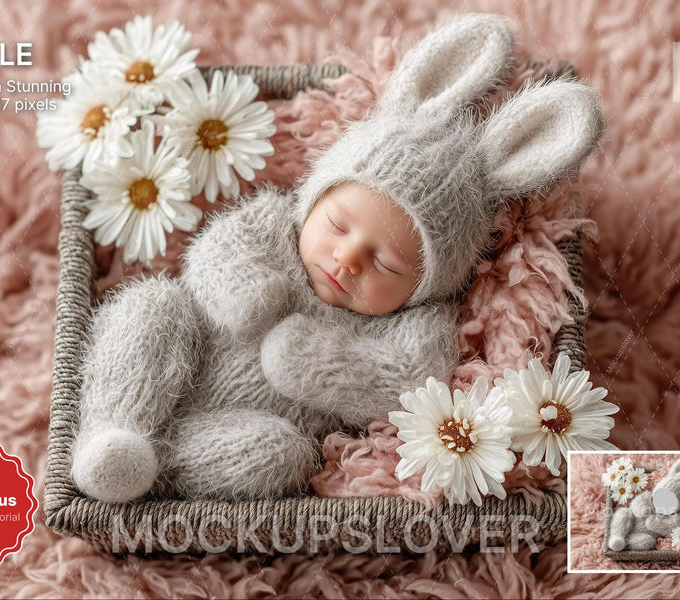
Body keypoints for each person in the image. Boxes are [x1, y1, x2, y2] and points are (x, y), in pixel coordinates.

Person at [70, 13, 604, 503]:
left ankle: (149, 466)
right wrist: (244, 290)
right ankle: (112, 430)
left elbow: (402, 382)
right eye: (338, 226)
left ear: (423, 285)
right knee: (151, 306)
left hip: (240, 426)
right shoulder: (272, 225)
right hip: (185, 350)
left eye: (388, 265)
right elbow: (215, 254)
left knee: (280, 454)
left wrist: (319, 360)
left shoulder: (420, 326)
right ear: (313, 201)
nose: (348, 258)